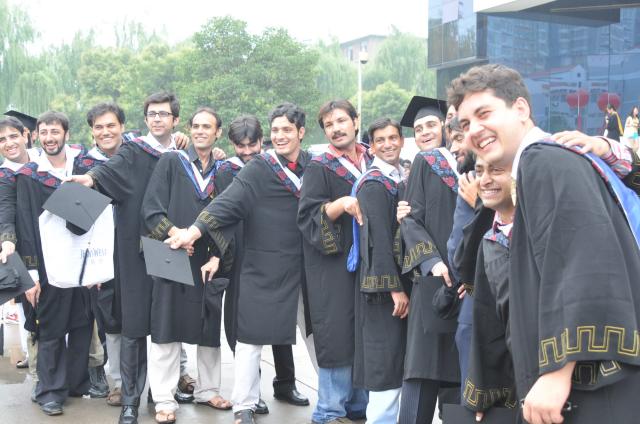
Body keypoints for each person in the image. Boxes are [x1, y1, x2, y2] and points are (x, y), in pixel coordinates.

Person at [451, 63, 640, 424]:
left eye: (484, 113)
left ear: (521, 109)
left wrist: (557, 371)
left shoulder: (542, 160)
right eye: (465, 123)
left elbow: (585, 259)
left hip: (589, 388)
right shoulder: (546, 164)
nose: (473, 130)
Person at [168, 103, 314, 424]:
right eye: (276, 130)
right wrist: (198, 235)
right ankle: (245, 403)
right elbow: (225, 207)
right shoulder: (256, 168)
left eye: (286, 130)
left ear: (301, 133)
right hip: (255, 259)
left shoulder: (314, 166)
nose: (280, 136)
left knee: (316, 331)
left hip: (305, 263)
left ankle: (325, 395)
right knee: (249, 332)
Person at [71, 92, 196, 424]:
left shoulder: (182, 156)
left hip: (170, 247)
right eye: (152, 114)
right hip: (133, 249)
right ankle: (130, 400)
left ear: (175, 120)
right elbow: (109, 170)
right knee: (134, 326)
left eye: (163, 114)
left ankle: (161, 395)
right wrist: (91, 178)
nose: (157, 119)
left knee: (167, 326)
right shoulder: (133, 151)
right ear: (145, 119)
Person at [141, 107, 232, 423]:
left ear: (218, 132)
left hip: (208, 260)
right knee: (166, 328)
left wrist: (218, 254)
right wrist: (176, 235)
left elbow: (229, 217)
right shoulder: (171, 162)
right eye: (196, 126)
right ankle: (164, 399)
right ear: (190, 129)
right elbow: (151, 209)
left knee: (209, 328)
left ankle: (208, 390)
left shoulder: (223, 170)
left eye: (208, 126)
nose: (201, 131)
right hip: (173, 255)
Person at [219, 115, 310, 415]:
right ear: (231, 144)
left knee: (284, 320)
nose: (246, 152)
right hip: (240, 254)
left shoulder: (279, 167)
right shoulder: (228, 171)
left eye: (252, 145)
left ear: (262, 141)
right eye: (240, 146)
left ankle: (285, 382)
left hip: (275, 252)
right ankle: (251, 393)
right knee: (249, 326)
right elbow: (224, 212)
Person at [15, 111, 99, 416]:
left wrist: (98, 265)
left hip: (81, 261)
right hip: (48, 264)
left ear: (66, 134)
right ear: (36, 136)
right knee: (51, 325)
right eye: (44, 132)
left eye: (55, 132)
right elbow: (25, 224)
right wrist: (31, 272)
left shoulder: (85, 167)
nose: (49, 138)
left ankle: (75, 382)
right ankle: (50, 390)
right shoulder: (29, 174)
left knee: (81, 322)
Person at [297, 99, 370, 424]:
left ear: (355, 121)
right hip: (334, 268)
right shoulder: (320, 167)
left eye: (341, 120)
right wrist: (339, 204)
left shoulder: (373, 160)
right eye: (329, 124)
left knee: (365, 334)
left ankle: (357, 410)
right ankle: (328, 413)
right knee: (338, 335)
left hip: (370, 266)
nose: (336, 128)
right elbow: (307, 217)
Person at [397, 96, 461, 424]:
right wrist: (432, 261)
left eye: (431, 125)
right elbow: (411, 220)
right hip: (435, 280)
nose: (424, 132)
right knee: (424, 367)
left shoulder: (470, 162)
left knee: (461, 371)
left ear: (446, 127)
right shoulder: (425, 162)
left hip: (468, 282)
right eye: (418, 128)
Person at [352, 117, 409, 423]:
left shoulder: (398, 177)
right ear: (371, 147)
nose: (388, 144)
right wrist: (394, 288)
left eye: (393, 138)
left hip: (395, 283)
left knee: (395, 363)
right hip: (382, 290)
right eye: (380, 140)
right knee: (385, 366)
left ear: (401, 140)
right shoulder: (374, 184)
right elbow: (378, 242)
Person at [84, 102, 126, 406]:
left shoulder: (137, 156)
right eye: (99, 127)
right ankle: (119, 383)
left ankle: (162, 380)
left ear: (122, 127)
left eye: (111, 125)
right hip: (104, 255)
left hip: (136, 251)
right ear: (92, 132)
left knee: (152, 319)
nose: (105, 132)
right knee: (112, 321)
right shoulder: (84, 164)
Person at [0, 116, 41, 394]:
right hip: (26, 248)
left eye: (13, 136)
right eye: (2, 140)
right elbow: (5, 213)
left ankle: (88, 370)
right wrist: (7, 242)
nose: (9, 143)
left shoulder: (44, 160)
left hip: (58, 246)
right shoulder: (4, 175)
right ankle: (40, 376)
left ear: (26, 134)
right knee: (34, 310)